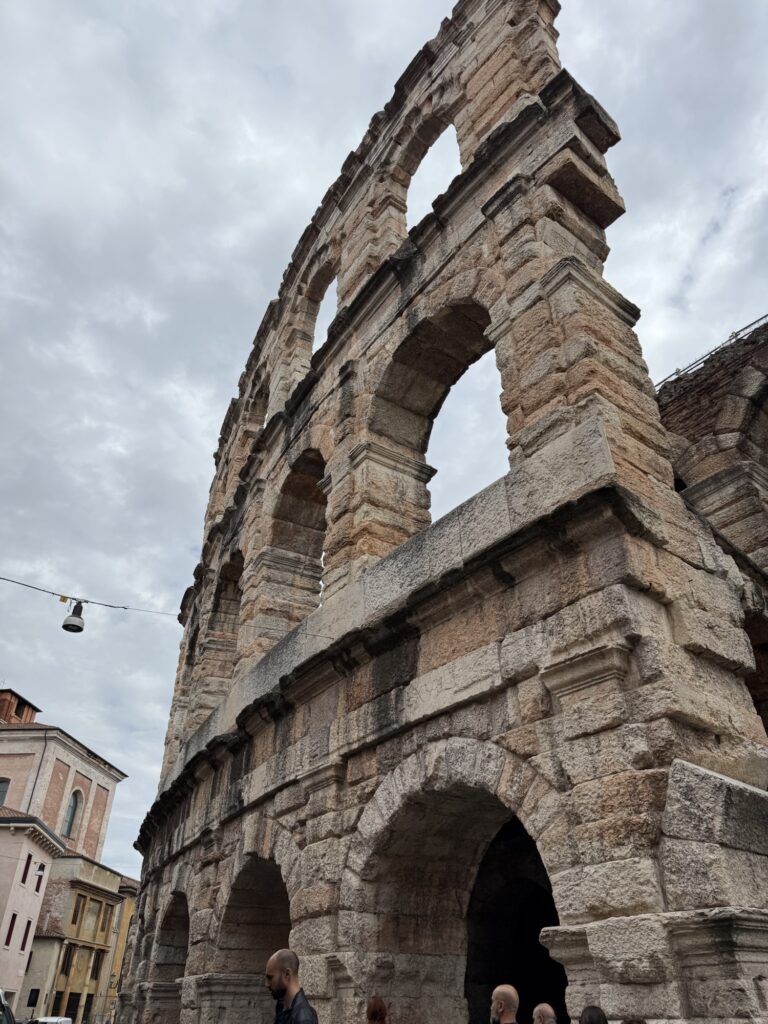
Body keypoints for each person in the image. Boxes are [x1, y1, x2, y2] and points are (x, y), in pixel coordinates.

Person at [265, 948, 318, 1024]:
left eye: (270, 978)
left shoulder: (303, 1018)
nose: (266, 984)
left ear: (287, 974)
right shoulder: (281, 1006)